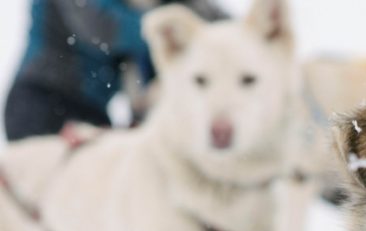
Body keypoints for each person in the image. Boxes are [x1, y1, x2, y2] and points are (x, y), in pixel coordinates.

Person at [4, 0, 225, 141]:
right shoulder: (144, 17)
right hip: (42, 103)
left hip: (92, 114)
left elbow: (220, 25)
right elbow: (101, 27)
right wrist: (175, 29)